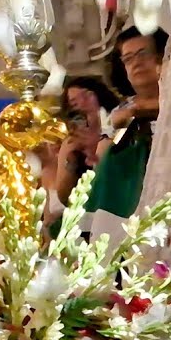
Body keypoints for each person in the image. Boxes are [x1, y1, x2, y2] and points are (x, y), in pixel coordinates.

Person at [84, 28, 169, 242]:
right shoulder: (119, 112)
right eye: (128, 59)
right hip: (130, 204)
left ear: (163, 57)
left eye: (143, 54)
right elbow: (102, 162)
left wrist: (137, 112)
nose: (136, 63)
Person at [43, 76, 119, 237]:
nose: (80, 102)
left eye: (85, 95)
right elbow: (64, 196)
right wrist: (72, 162)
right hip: (85, 219)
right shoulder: (71, 141)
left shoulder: (120, 126)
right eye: (73, 101)